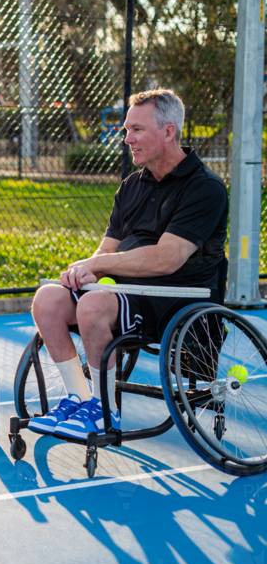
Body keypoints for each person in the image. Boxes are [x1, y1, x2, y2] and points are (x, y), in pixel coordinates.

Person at [30, 88, 227, 440]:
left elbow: (168, 258)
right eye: (126, 130)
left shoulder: (205, 188)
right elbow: (106, 250)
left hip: (173, 302)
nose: (127, 139)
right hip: (127, 294)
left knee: (93, 305)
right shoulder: (131, 187)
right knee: (47, 300)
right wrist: (83, 269)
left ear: (168, 132)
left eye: (136, 130)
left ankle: (105, 411)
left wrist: (102, 265)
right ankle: (79, 396)